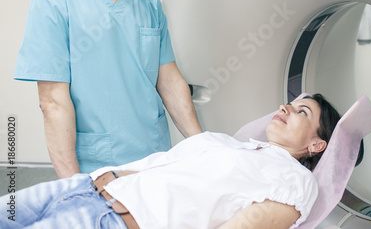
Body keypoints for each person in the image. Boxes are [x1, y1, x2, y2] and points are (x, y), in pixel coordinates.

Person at [13, 0, 202, 178]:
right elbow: (52, 102)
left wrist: (203, 148)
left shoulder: (149, 4)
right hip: (97, 168)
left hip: (156, 159)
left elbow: (169, 80)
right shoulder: (54, 0)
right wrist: (74, 187)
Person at [0, 94, 341, 229]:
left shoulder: (295, 182)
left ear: (316, 143)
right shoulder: (231, 144)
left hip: (108, 222)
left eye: (301, 111)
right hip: (83, 188)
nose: (285, 108)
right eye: (290, 103)